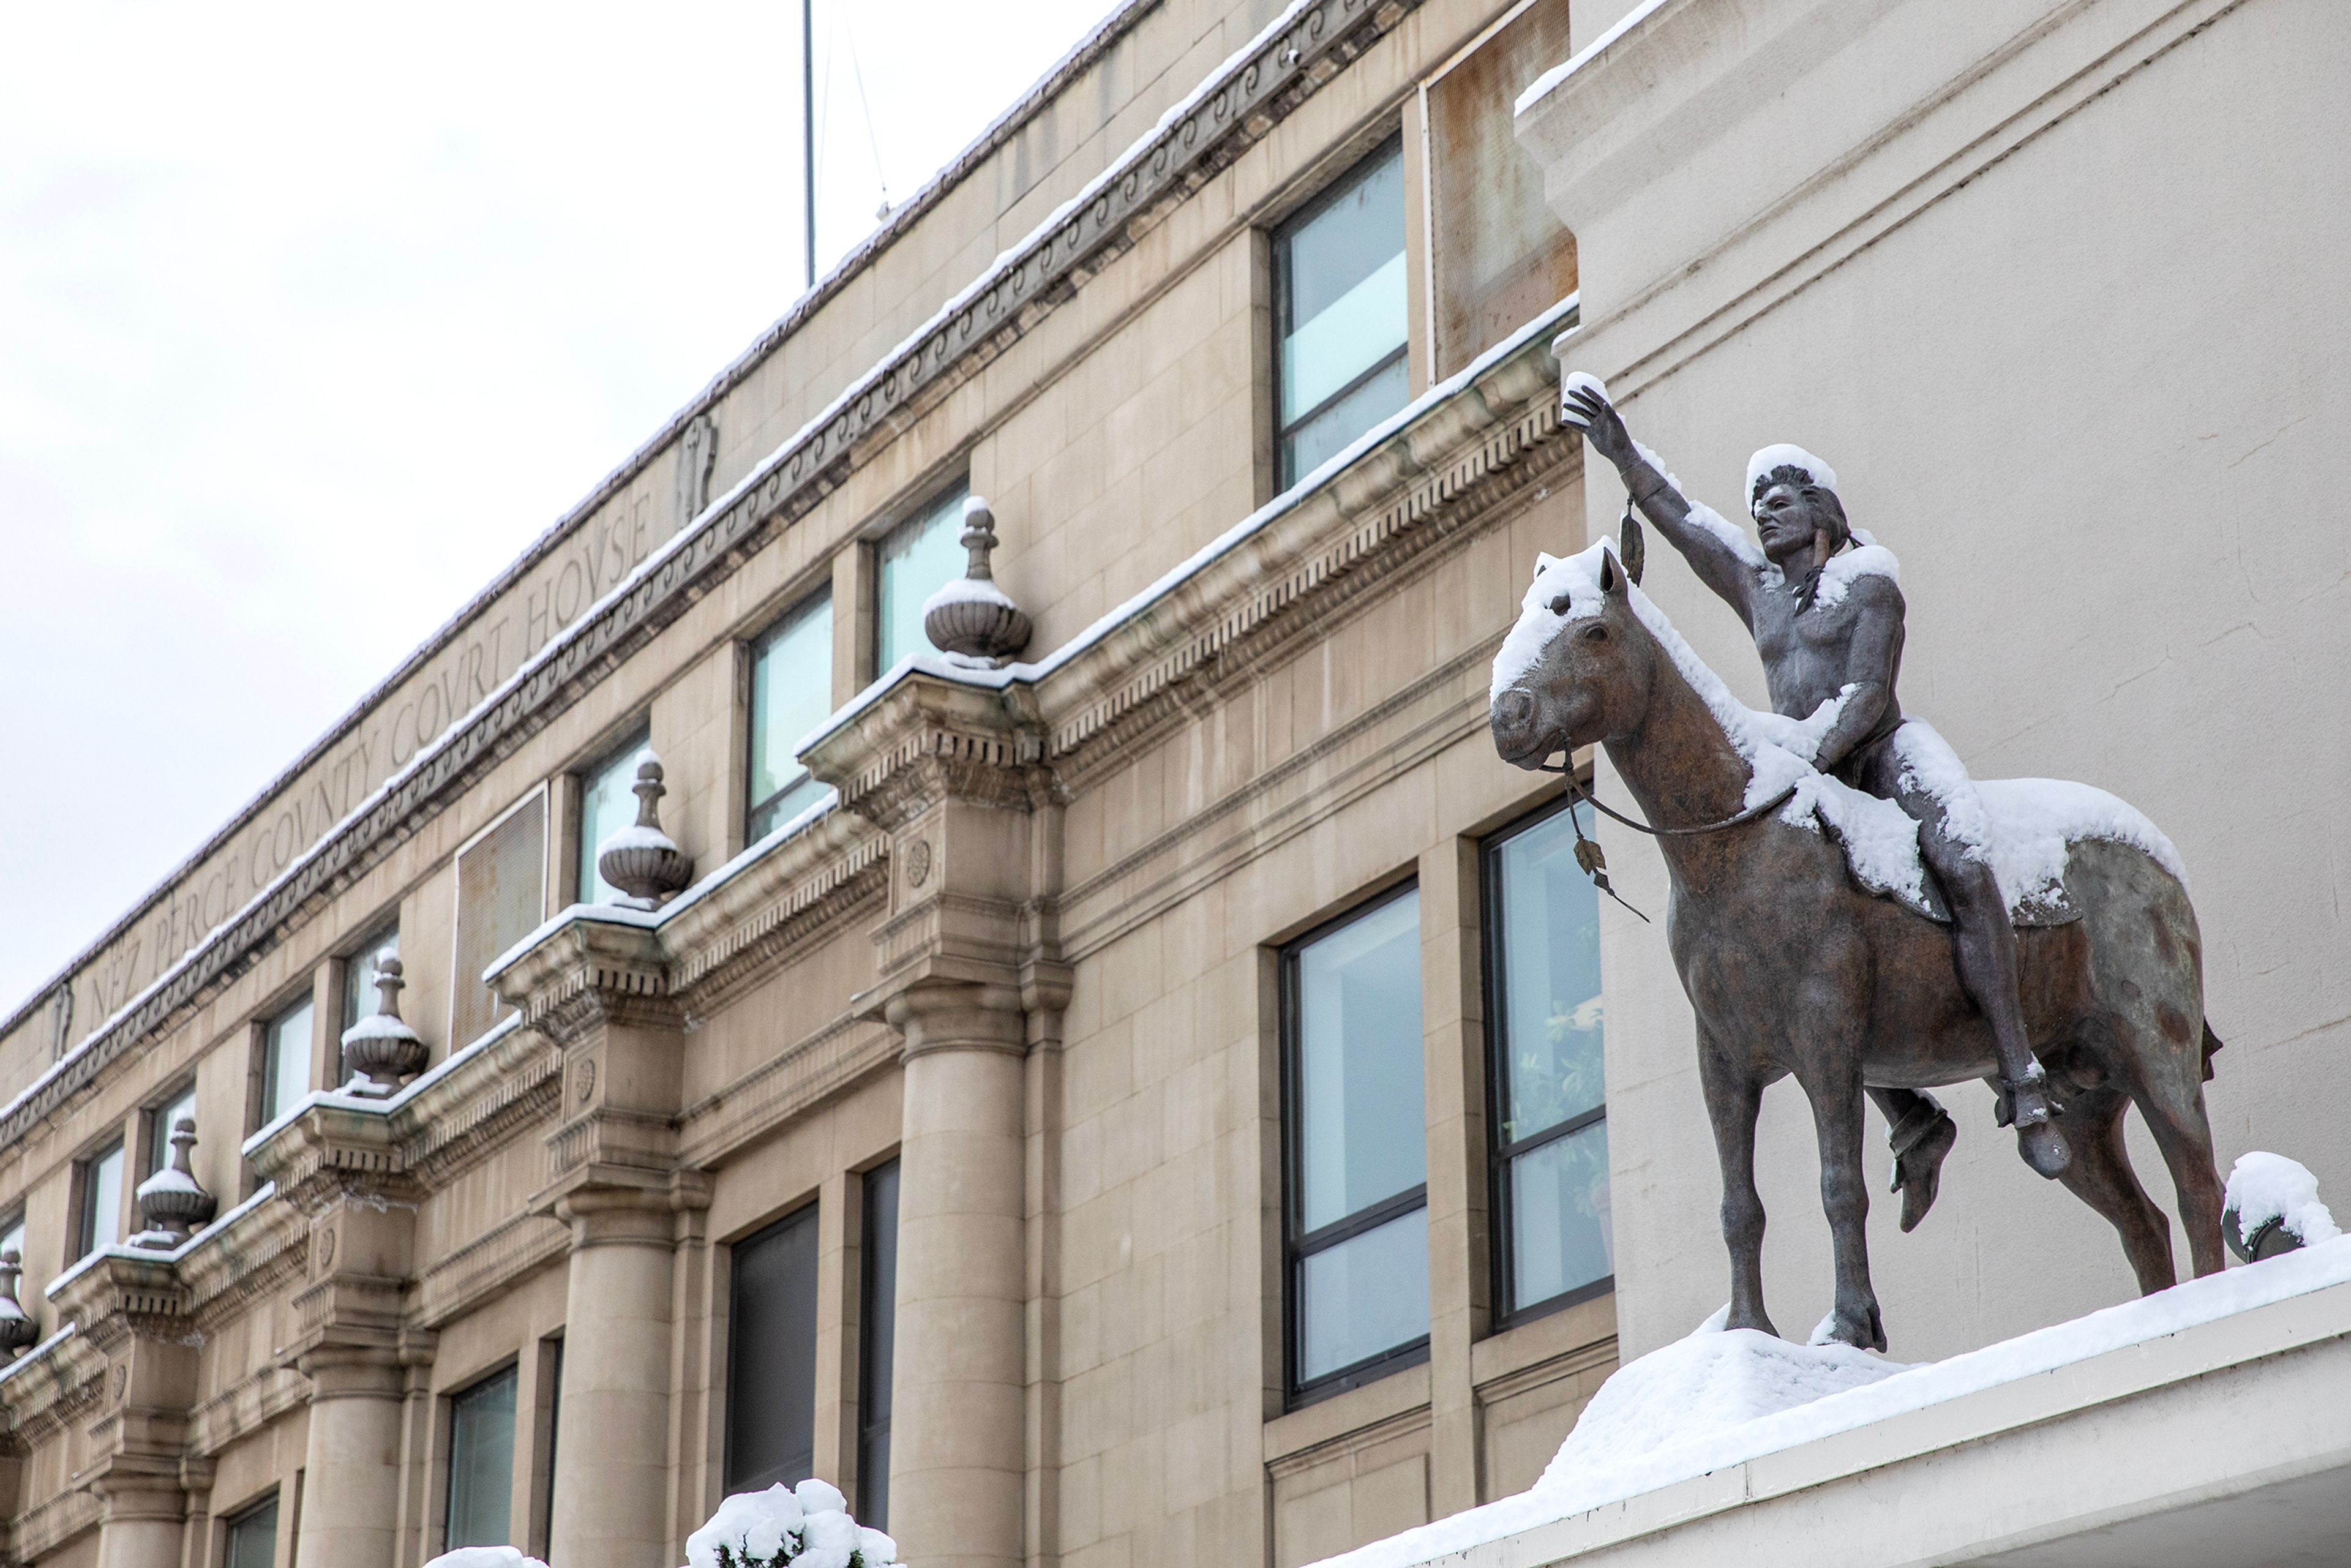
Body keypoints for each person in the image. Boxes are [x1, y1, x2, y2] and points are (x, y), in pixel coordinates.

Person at [1561, 377, 2070, 1205]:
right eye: (1757, 500)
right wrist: (1621, 451)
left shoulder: (1871, 582)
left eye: (1783, 496)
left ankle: (2020, 1071)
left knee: (1961, 852)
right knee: (1802, 936)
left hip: (1882, 751)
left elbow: (1868, 694)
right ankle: (1910, 1114)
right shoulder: (1759, 588)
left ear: (1823, 508)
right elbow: (1686, 521)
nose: (1765, 511)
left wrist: (1809, 751)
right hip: (1805, 766)